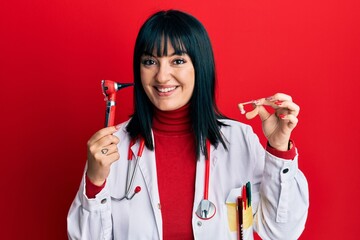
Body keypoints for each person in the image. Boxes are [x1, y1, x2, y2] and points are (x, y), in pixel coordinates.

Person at [67, 9, 309, 240]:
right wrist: (95, 183)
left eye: (178, 61)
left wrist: (279, 149)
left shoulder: (239, 140)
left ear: (200, 67)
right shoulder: (113, 147)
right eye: (150, 61)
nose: (161, 76)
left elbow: (281, 232)